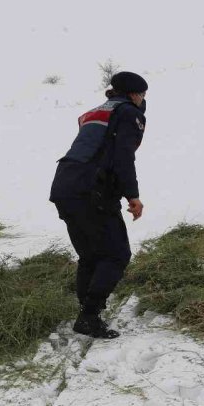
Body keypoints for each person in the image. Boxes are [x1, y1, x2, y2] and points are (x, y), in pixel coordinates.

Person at [49, 71, 147, 339]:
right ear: (132, 94)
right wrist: (132, 196)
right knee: (116, 254)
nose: (143, 100)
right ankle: (89, 316)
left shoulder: (93, 113)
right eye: (142, 94)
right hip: (91, 189)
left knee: (91, 255)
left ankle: (86, 311)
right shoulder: (129, 113)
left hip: (64, 184)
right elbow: (123, 157)